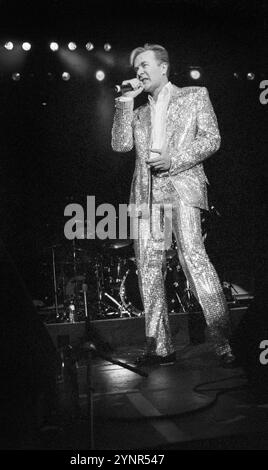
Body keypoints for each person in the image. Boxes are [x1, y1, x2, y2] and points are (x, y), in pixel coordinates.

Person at [111, 43, 236, 367]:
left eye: (144, 64)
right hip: (147, 193)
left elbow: (212, 138)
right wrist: (124, 101)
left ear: (163, 67)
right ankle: (159, 346)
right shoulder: (137, 112)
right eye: (136, 66)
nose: (139, 70)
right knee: (149, 269)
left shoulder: (194, 95)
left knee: (193, 256)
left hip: (181, 185)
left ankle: (225, 343)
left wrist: (174, 160)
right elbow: (121, 145)